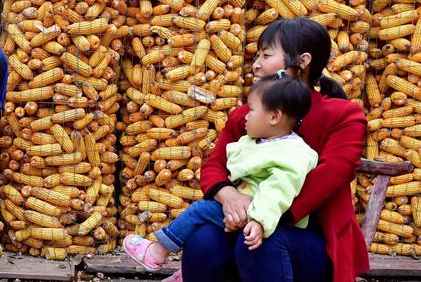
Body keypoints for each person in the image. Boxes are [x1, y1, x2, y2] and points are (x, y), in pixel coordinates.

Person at [141, 17, 368, 282]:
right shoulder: (249, 115)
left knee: (263, 238)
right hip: (246, 230)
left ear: (302, 61)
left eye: (265, 55)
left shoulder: (343, 115)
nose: (256, 63)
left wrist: (262, 214)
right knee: (203, 235)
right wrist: (228, 196)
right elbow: (214, 165)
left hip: (314, 245)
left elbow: (331, 176)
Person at [123, 73, 317, 268]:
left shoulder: (294, 153)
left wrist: (259, 221)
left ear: (274, 117)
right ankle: (191, 266)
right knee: (204, 229)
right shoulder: (263, 140)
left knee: (199, 210)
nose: (245, 116)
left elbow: (278, 190)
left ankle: (158, 252)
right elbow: (221, 163)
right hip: (246, 209)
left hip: (258, 213)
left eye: (251, 110)